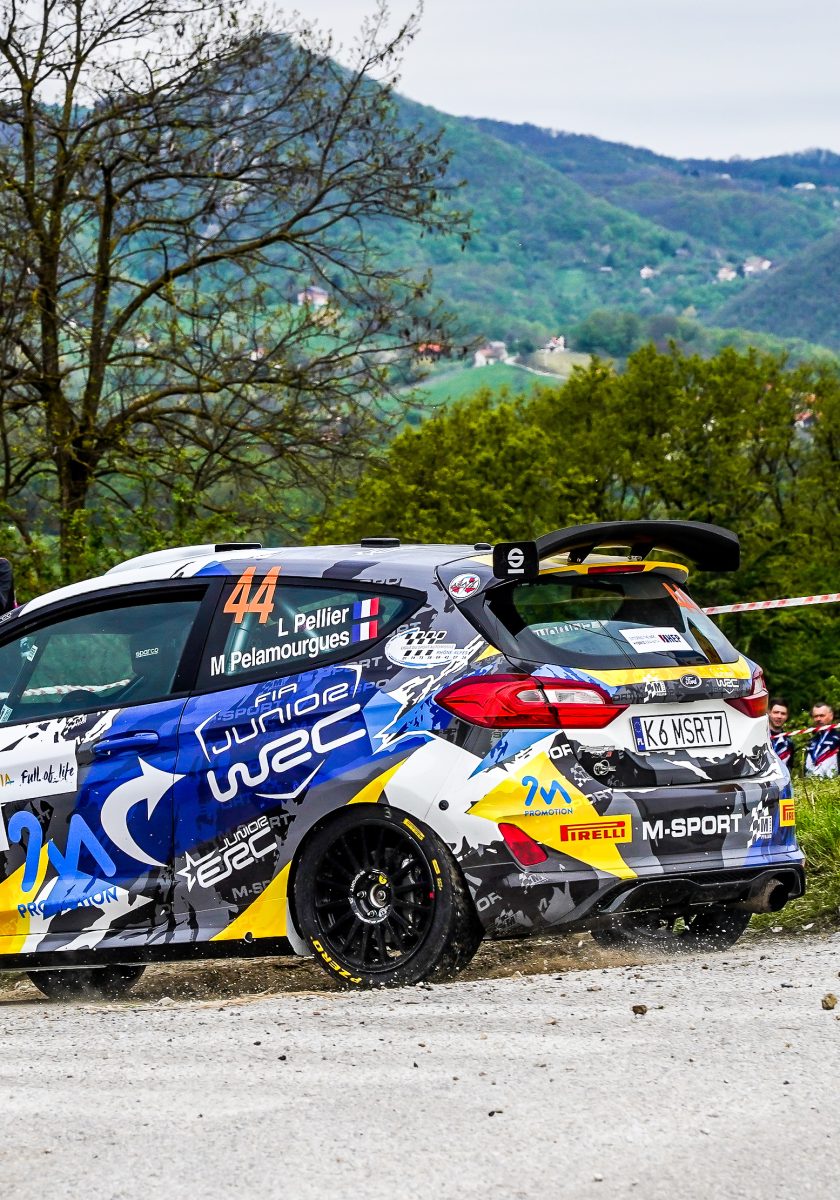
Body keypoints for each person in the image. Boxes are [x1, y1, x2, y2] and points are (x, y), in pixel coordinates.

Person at [804, 700, 840, 778]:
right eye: (815, 716)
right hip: (811, 782)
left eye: (822, 715)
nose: (818, 719)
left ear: (831, 716)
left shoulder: (838, 737)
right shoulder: (811, 741)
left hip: (833, 783)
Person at [768, 697, 795, 772]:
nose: (779, 716)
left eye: (783, 714)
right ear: (769, 713)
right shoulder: (760, 737)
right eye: (776, 712)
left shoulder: (789, 743)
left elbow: (789, 768)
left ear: (787, 716)